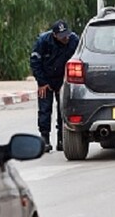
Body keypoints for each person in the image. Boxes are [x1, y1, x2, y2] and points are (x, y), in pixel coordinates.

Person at [30, 20, 79, 152]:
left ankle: (62, 139)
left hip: (64, 80)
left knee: (63, 109)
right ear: (54, 35)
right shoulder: (43, 41)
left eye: (66, 34)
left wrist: (68, 81)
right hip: (46, 79)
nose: (65, 38)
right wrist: (42, 82)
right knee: (45, 110)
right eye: (62, 36)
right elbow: (35, 62)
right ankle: (45, 138)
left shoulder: (74, 40)